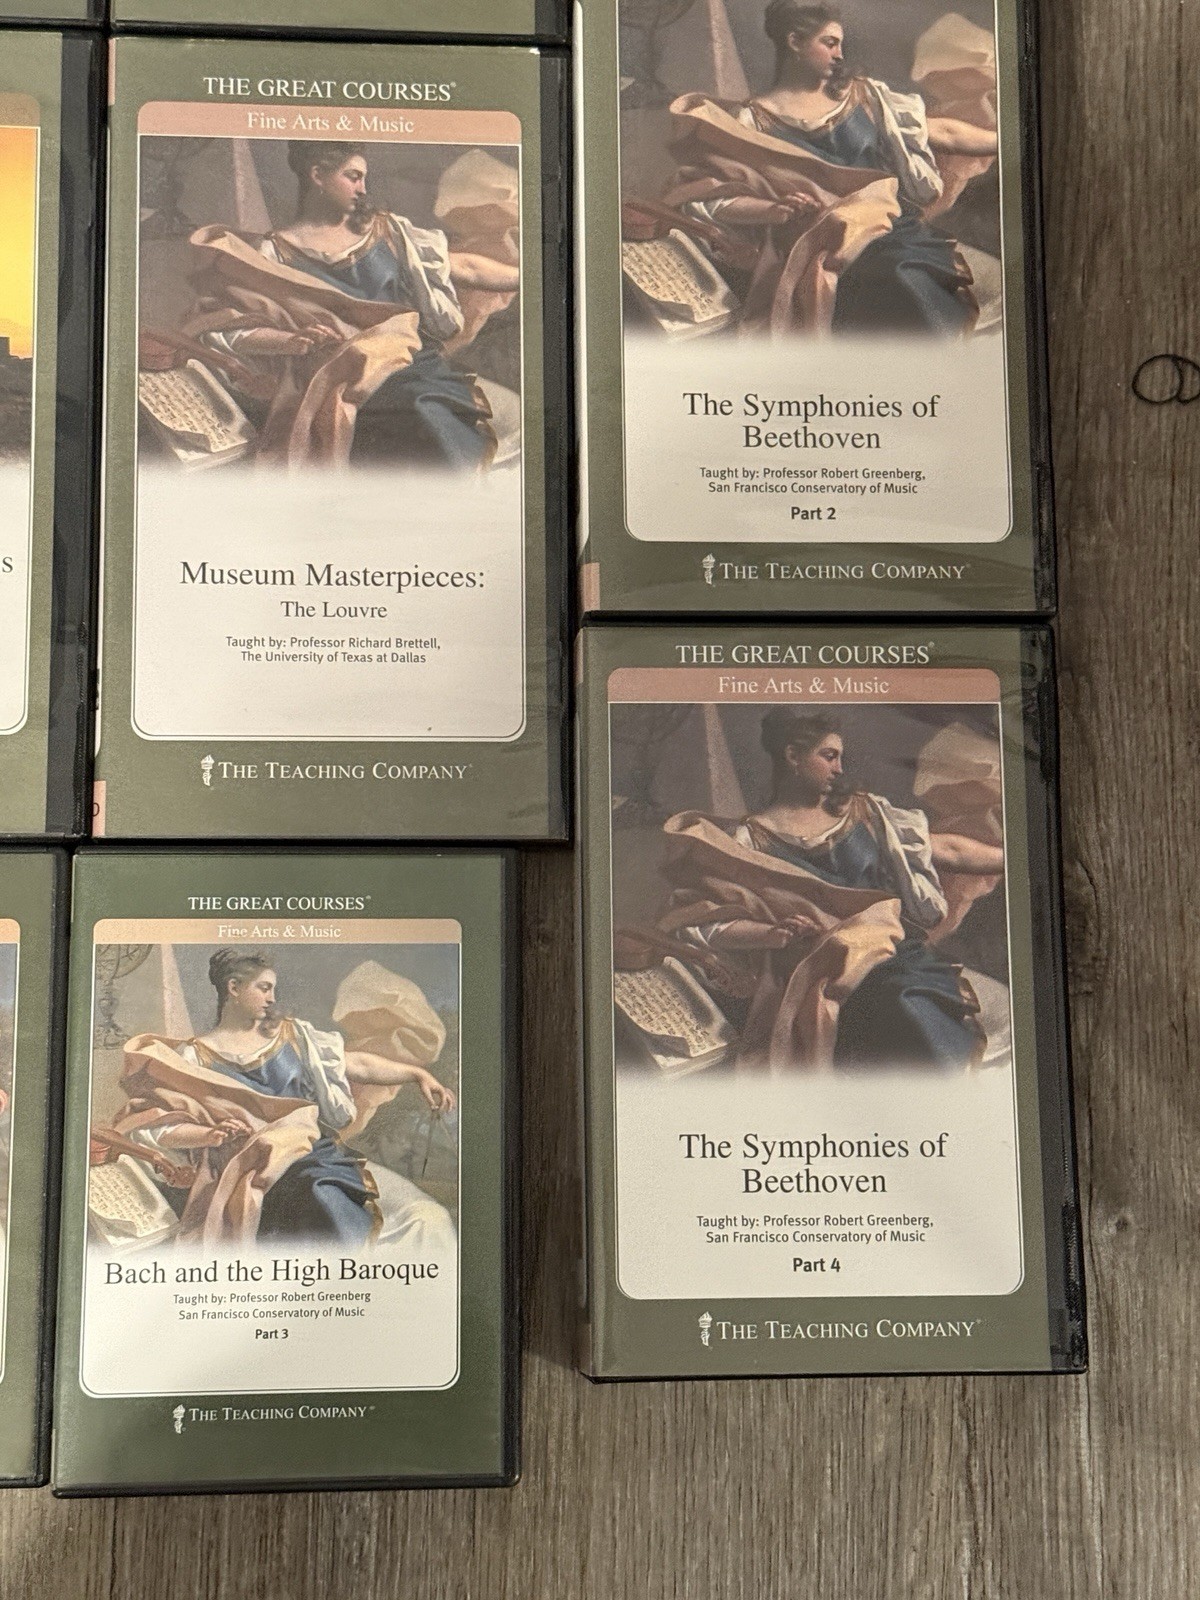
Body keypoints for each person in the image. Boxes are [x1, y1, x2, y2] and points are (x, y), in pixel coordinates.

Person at [642, 708, 1005, 1070]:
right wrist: (773, 933)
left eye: (840, 757)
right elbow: (709, 922)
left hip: (892, 955)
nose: (838, 768)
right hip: (817, 971)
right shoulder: (748, 842)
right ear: (793, 756)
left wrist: (1011, 858)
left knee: (907, 1003)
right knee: (885, 1012)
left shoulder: (866, 813)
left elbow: (949, 849)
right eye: (829, 756)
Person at [660, 2, 999, 335]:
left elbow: (945, 132)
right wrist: (773, 209)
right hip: (817, 243)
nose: (839, 54)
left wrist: (1005, 141)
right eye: (830, 43)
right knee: (883, 280)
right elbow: (716, 196)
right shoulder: (750, 121)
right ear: (794, 42)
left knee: (902, 272)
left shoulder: (865, 96)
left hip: (888, 229)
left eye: (840, 44)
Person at [182, 141, 519, 468]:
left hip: (408, 364)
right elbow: (232, 328)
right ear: (317, 175)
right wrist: (289, 341)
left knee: (422, 406)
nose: (363, 188)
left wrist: (526, 276)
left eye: (364, 178)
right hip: (337, 377)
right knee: (412, 413)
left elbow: (466, 267)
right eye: (353, 177)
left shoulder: (388, 231)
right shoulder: (272, 254)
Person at [112, 949, 456, 1248]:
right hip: (255, 1173)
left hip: (316, 1157)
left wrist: (417, 1075)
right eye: (264, 988)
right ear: (233, 988)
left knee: (426, 1217)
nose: (271, 998)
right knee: (323, 1204)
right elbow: (158, 1125)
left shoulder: (294, 1036)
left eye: (273, 989)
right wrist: (209, 1134)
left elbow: (357, 1063)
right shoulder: (192, 1058)